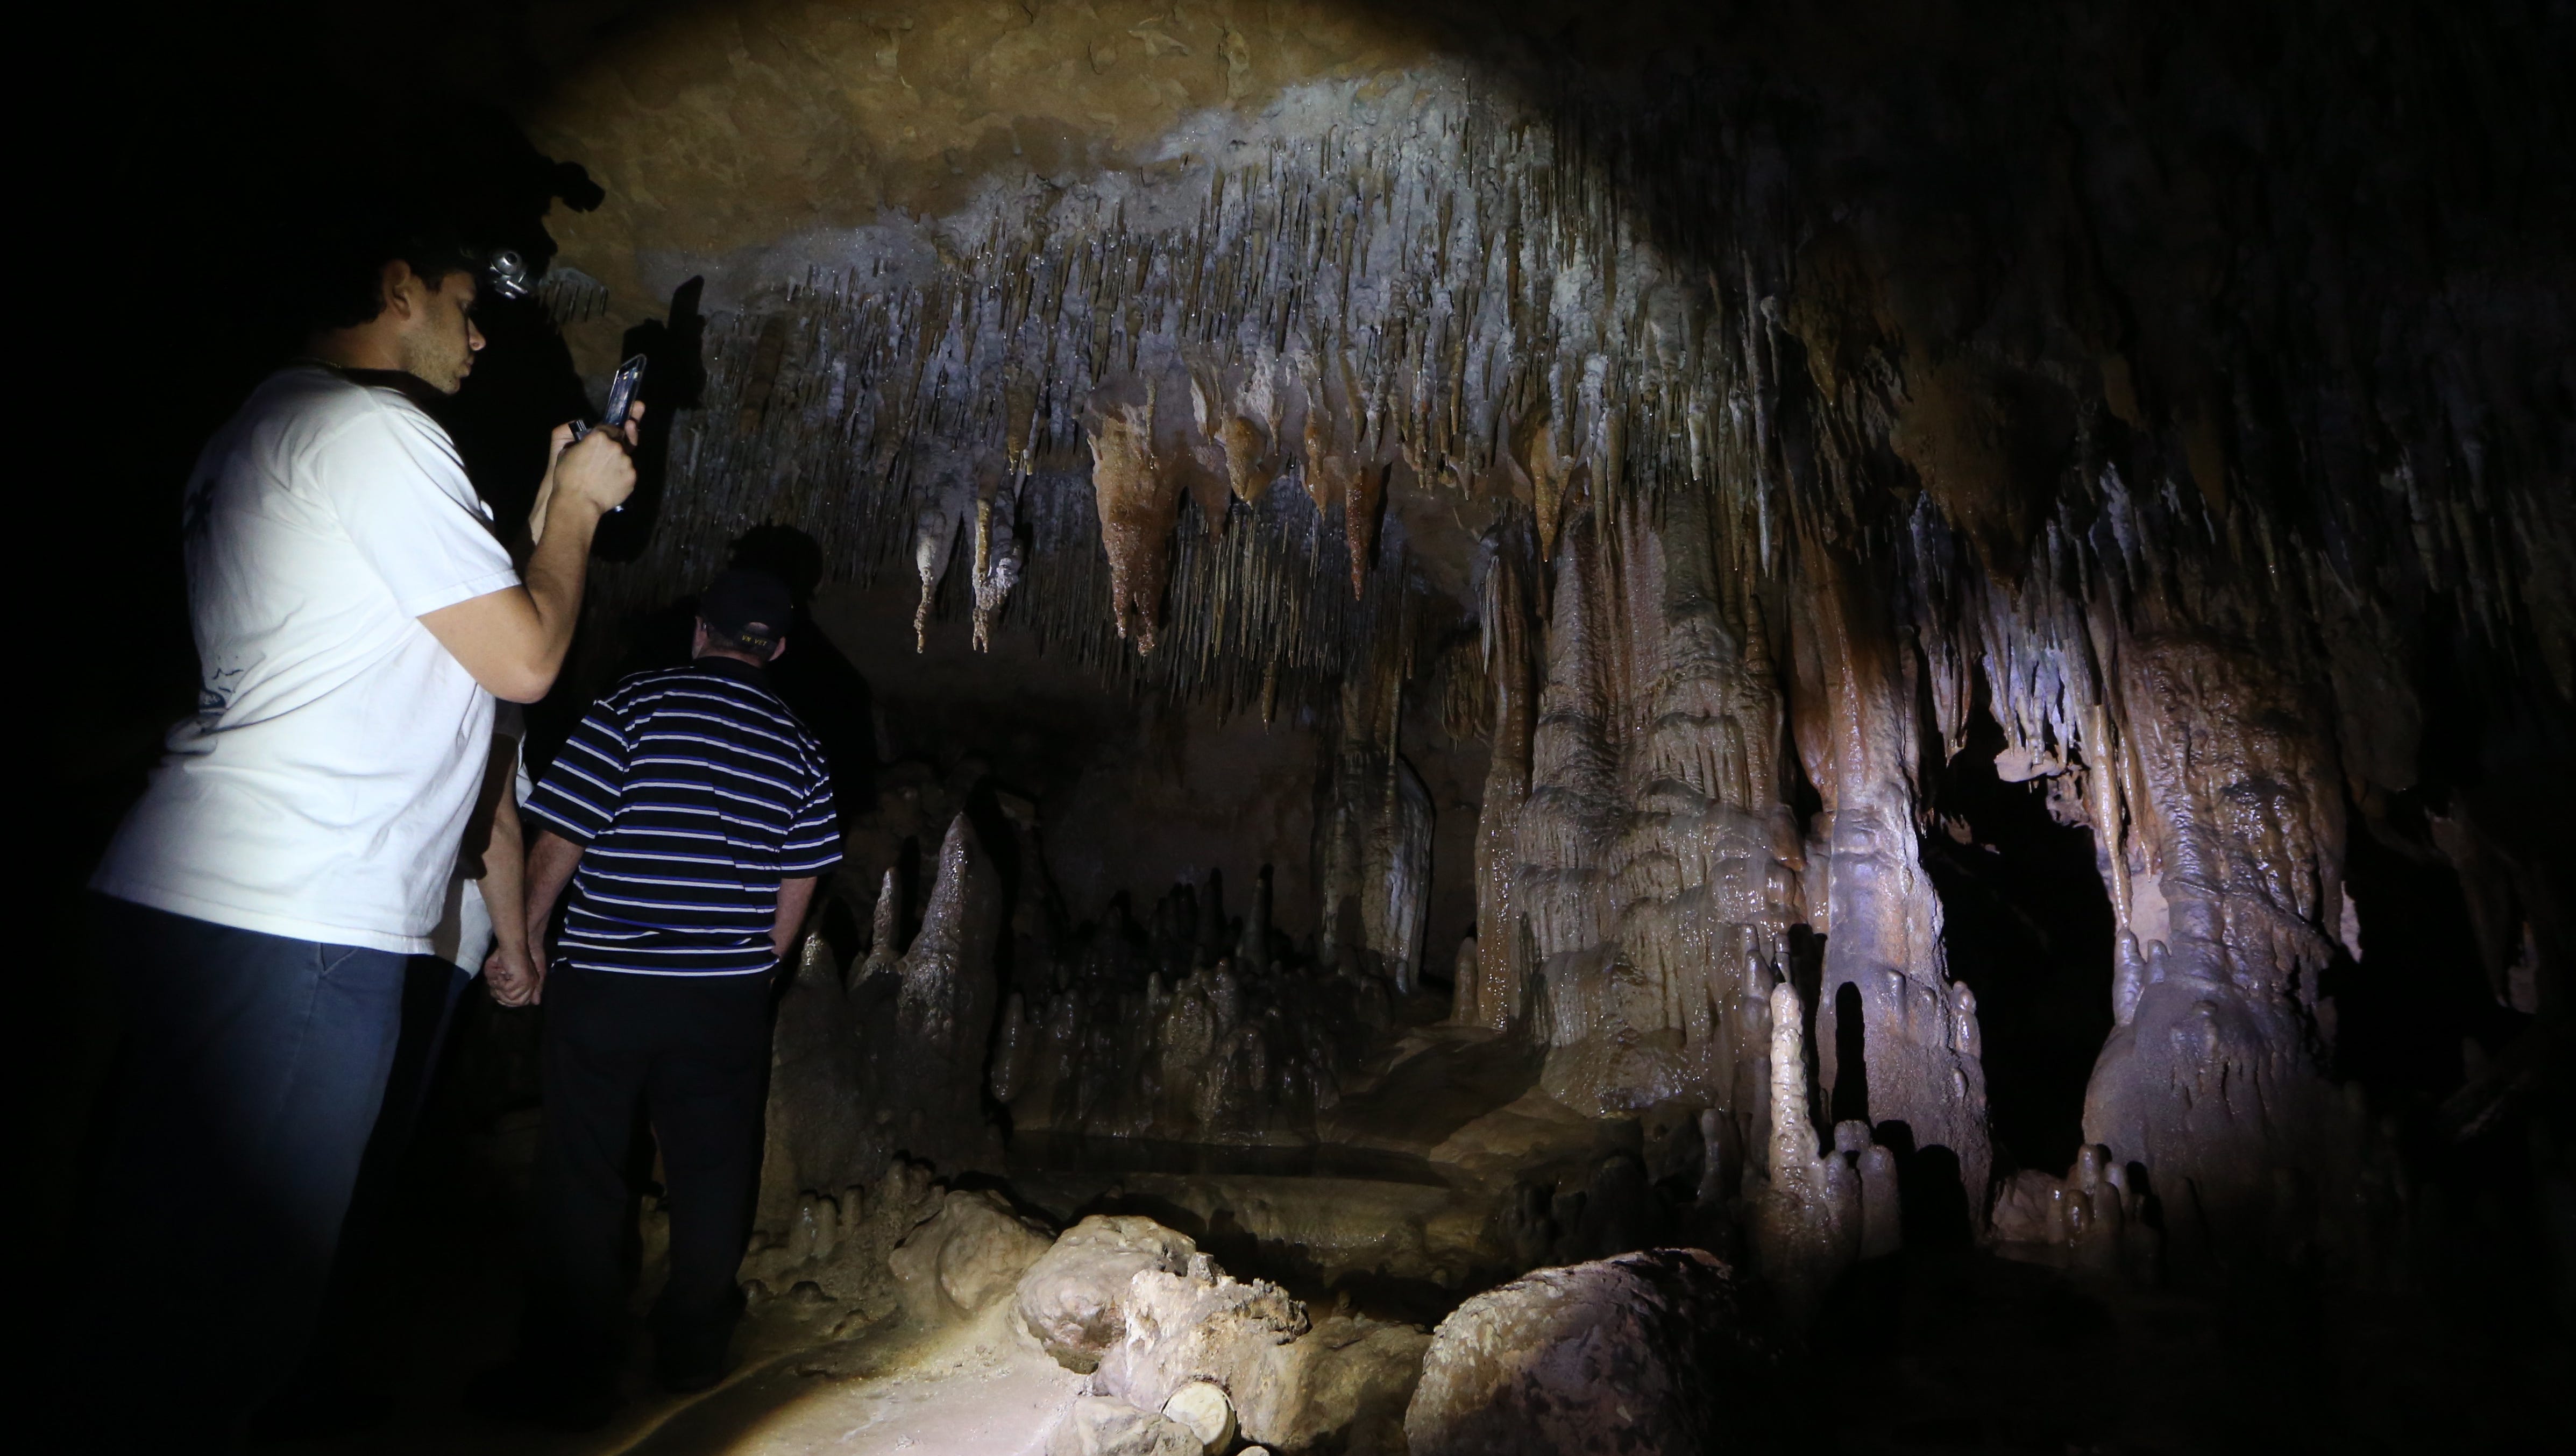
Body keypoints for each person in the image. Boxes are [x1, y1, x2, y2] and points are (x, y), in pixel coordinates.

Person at [74, 213, 638, 1444]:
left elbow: (434, 651)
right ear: (396, 290)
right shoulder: (372, 431)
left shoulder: (258, 434)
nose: (480, 331)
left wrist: (542, 505)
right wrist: (584, 514)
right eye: (458, 301)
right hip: (295, 907)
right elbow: (527, 658)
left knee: (164, 1261)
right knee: (233, 1309)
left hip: (212, 892)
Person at [480, 567, 841, 1426]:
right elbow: (801, 877)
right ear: (778, 650)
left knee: (584, 1167)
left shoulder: (632, 708)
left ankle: (573, 1364)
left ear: (699, 632)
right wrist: (759, 968)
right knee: (713, 1169)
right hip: (719, 996)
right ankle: (690, 1349)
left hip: (609, 980)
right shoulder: (799, 744)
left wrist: (520, 946)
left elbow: (560, 835)